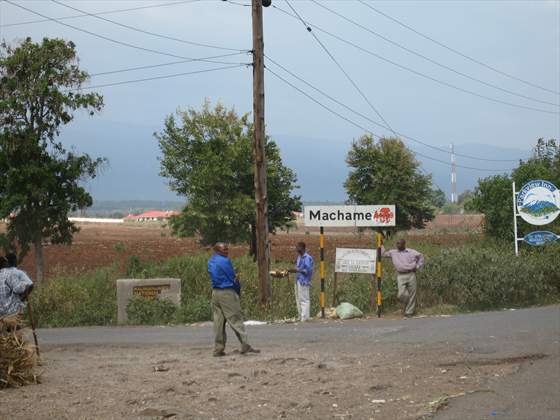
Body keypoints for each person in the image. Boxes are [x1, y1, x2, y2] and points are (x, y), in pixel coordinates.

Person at [208, 243, 259, 357]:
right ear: (218, 251)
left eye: (227, 249)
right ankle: (245, 344)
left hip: (215, 292)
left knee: (218, 322)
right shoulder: (225, 261)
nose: (226, 251)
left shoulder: (211, 261)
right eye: (224, 249)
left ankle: (218, 349)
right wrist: (237, 290)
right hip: (227, 292)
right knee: (235, 319)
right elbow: (232, 278)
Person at [383, 239, 424, 318]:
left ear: (404, 244)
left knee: (412, 294)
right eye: (397, 243)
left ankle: (409, 312)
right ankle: (407, 304)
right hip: (401, 275)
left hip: (411, 274)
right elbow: (383, 254)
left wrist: (418, 266)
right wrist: (380, 244)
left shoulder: (411, 252)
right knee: (401, 294)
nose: (398, 245)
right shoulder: (393, 252)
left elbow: (421, 256)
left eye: (400, 244)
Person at [0, 253, 34, 319]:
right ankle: (15, 319)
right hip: (7, 309)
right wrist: (24, 285)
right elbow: (19, 289)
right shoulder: (11, 273)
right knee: (18, 295)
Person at [292, 242, 314, 322]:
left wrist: (298, 270)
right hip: (298, 280)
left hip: (304, 281)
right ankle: (300, 315)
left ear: (303, 248)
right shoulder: (299, 257)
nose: (297, 249)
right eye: (297, 247)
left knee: (304, 299)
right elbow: (298, 267)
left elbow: (308, 271)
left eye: (299, 248)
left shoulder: (307, 258)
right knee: (298, 299)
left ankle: (305, 317)